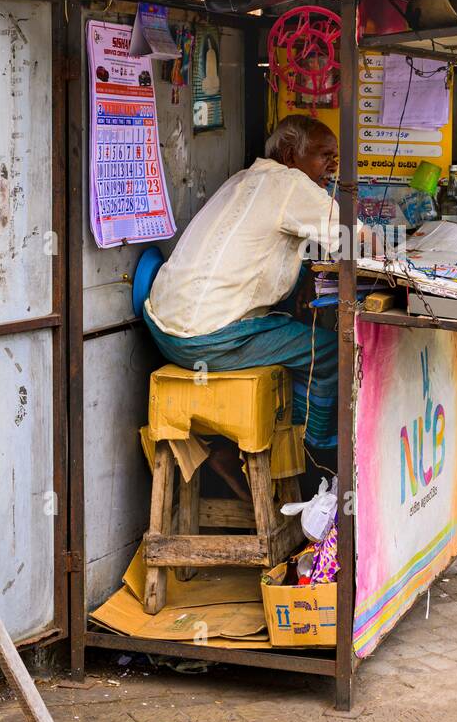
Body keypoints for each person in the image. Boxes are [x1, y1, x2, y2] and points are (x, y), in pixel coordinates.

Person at [143, 116, 341, 481]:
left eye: (336, 158)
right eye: (323, 155)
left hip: (163, 331)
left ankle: (228, 448)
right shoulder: (291, 183)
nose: (332, 165)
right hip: (207, 340)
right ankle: (311, 463)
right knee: (328, 351)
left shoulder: (244, 179)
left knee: (291, 336)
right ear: (289, 154)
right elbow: (355, 240)